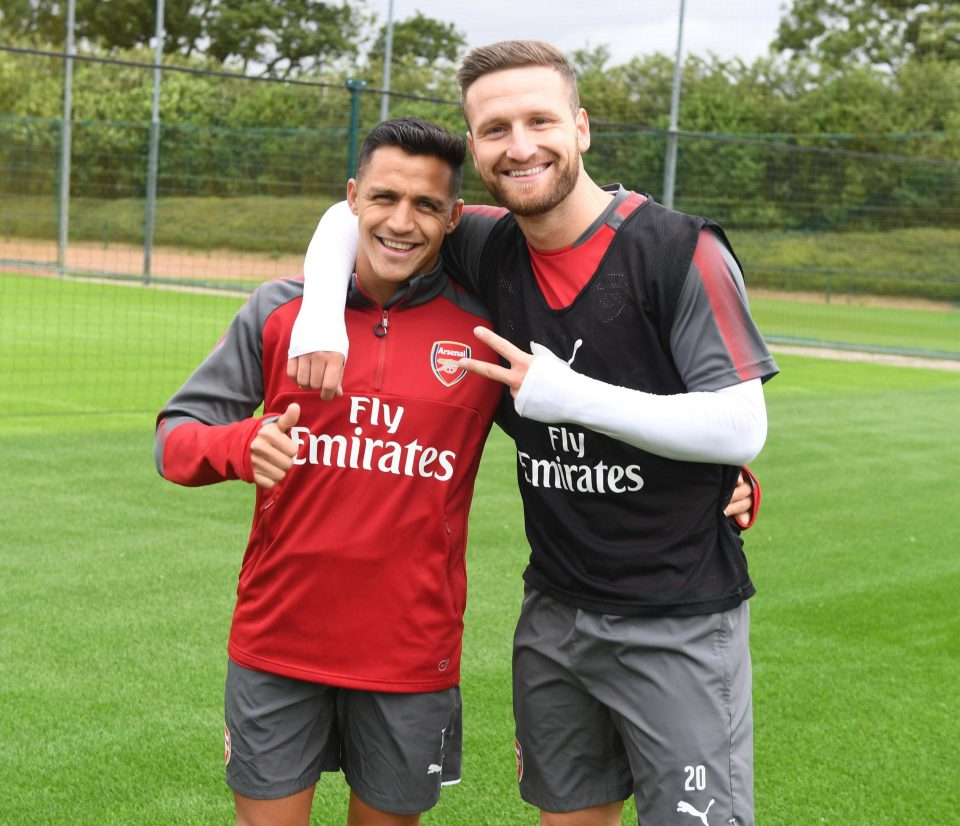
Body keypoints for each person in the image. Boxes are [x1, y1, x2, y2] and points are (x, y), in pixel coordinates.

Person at [286, 40, 778, 826]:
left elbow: (740, 423)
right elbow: (350, 212)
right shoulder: (486, 245)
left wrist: (573, 396)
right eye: (494, 129)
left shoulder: (680, 250)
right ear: (475, 148)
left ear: (580, 128)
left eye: (540, 120)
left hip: (678, 615)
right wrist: (321, 318)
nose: (519, 145)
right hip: (553, 609)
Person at [154, 118, 505, 826]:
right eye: (383, 198)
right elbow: (174, 441)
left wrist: (725, 482)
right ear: (351, 199)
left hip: (410, 655)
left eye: (426, 206)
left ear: (453, 217)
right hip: (277, 642)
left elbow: (573, 439)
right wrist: (242, 445)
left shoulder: (485, 332)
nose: (401, 222)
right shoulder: (279, 312)